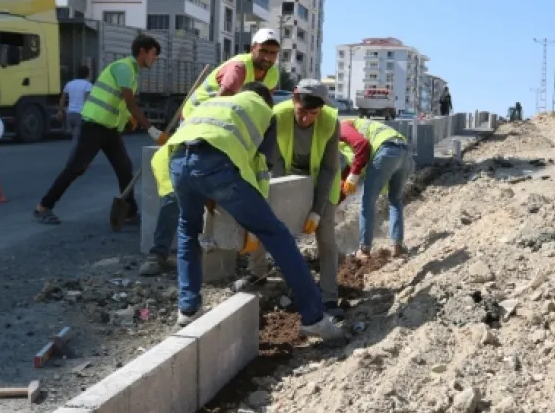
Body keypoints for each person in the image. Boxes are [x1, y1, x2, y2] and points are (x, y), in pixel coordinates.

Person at [164, 82, 344, 340]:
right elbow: (261, 170)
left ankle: (188, 309)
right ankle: (314, 317)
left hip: (179, 162)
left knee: (187, 228)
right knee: (276, 234)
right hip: (217, 166)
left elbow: (192, 151)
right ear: (272, 100)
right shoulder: (266, 112)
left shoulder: (218, 103)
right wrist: (253, 223)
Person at [139, 29, 283, 276]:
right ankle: (158, 253)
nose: (268, 58)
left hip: (228, 125)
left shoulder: (273, 74)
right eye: (264, 51)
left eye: (273, 53)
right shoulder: (238, 69)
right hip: (200, 121)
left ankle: (224, 246)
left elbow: (260, 107)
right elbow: (220, 107)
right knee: (179, 188)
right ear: (252, 48)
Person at [33, 35, 164, 224]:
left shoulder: (132, 73)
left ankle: (129, 212)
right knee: (76, 168)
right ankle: (43, 207)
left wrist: (130, 118)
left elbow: (118, 101)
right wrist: (151, 130)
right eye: (154, 54)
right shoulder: (124, 68)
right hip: (94, 125)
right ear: (142, 52)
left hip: (108, 129)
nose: (155, 58)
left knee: (124, 168)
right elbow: (130, 102)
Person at [246, 80, 344, 317]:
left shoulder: (331, 122)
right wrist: (286, 200)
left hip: (322, 181)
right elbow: (275, 161)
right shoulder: (277, 116)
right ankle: (259, 274)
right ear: (293, 99)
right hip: (285, 176)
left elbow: (329, 168)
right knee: (272, 226)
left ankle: (329, 295)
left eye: (313, 114)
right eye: (302, 112)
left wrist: (317, 210)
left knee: (326, 237)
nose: (306, 119)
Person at [345, 118, 414, 260]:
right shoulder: (368, 124)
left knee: (367, 202)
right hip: (405, 152)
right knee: (395, 200)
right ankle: (397, 246)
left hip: (385, 151)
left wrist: (353, 176)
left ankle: (364, 250)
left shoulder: (343, 126)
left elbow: (360, 151)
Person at [58, 65, 93, 139]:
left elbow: (63, 98)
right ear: (88, 74)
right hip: (80, 115)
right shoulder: (88, 85)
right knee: (78, 139)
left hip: (70, 114)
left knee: (76, 137)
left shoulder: (69, 84)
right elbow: (88, 100)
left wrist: (60, 111)